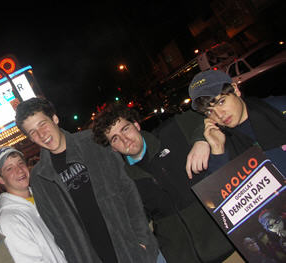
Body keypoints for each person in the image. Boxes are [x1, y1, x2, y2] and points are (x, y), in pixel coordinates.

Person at [15, 97, 161, 263]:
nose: (41, 134)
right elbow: (57, 230)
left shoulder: (93, 143)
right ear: (31, 139)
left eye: (43, 124)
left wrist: (142, 240)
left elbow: (128, 190)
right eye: (33, 132)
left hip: (134, 251)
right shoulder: (40, 178)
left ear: (55, 118)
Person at [92, 102, 235, 263]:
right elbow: (137, 222)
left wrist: (200, 140)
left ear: (136, 125)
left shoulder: (172, 133)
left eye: (125, 129)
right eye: (115, 139)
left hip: (226, 246)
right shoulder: (124, 181)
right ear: (113, 148)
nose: (125, 140)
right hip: (181, 257)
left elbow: (208, 117)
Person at [186, 69, 286, 176]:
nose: (219, 115)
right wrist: (217, 149)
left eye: (221, 102)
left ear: (235, 90)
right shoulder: (220, 143)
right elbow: (218, 189)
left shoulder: (278, 109)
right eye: (210, 111)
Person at [0, 146, 67, 262]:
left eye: (20, 163)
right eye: (9, 169)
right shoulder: (9, 220)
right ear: (0, 179)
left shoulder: (43, 197)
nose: (19, 170)